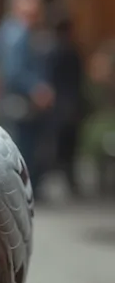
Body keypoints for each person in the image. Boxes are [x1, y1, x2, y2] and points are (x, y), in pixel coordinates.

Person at [0, 0, 54, 198]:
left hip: (14, 100)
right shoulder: (17, 32)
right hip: (19, 102)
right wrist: (36, 88)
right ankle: (21, 193)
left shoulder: (10, 30)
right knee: (23, 147)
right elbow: (14, 70)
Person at [47, 11, 85, 197]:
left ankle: (65, 180)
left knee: (61, 145)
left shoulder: (52, 50)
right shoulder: (71, 50)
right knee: (70, 146)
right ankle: (70, 181)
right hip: (71, 103)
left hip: (59, 104)